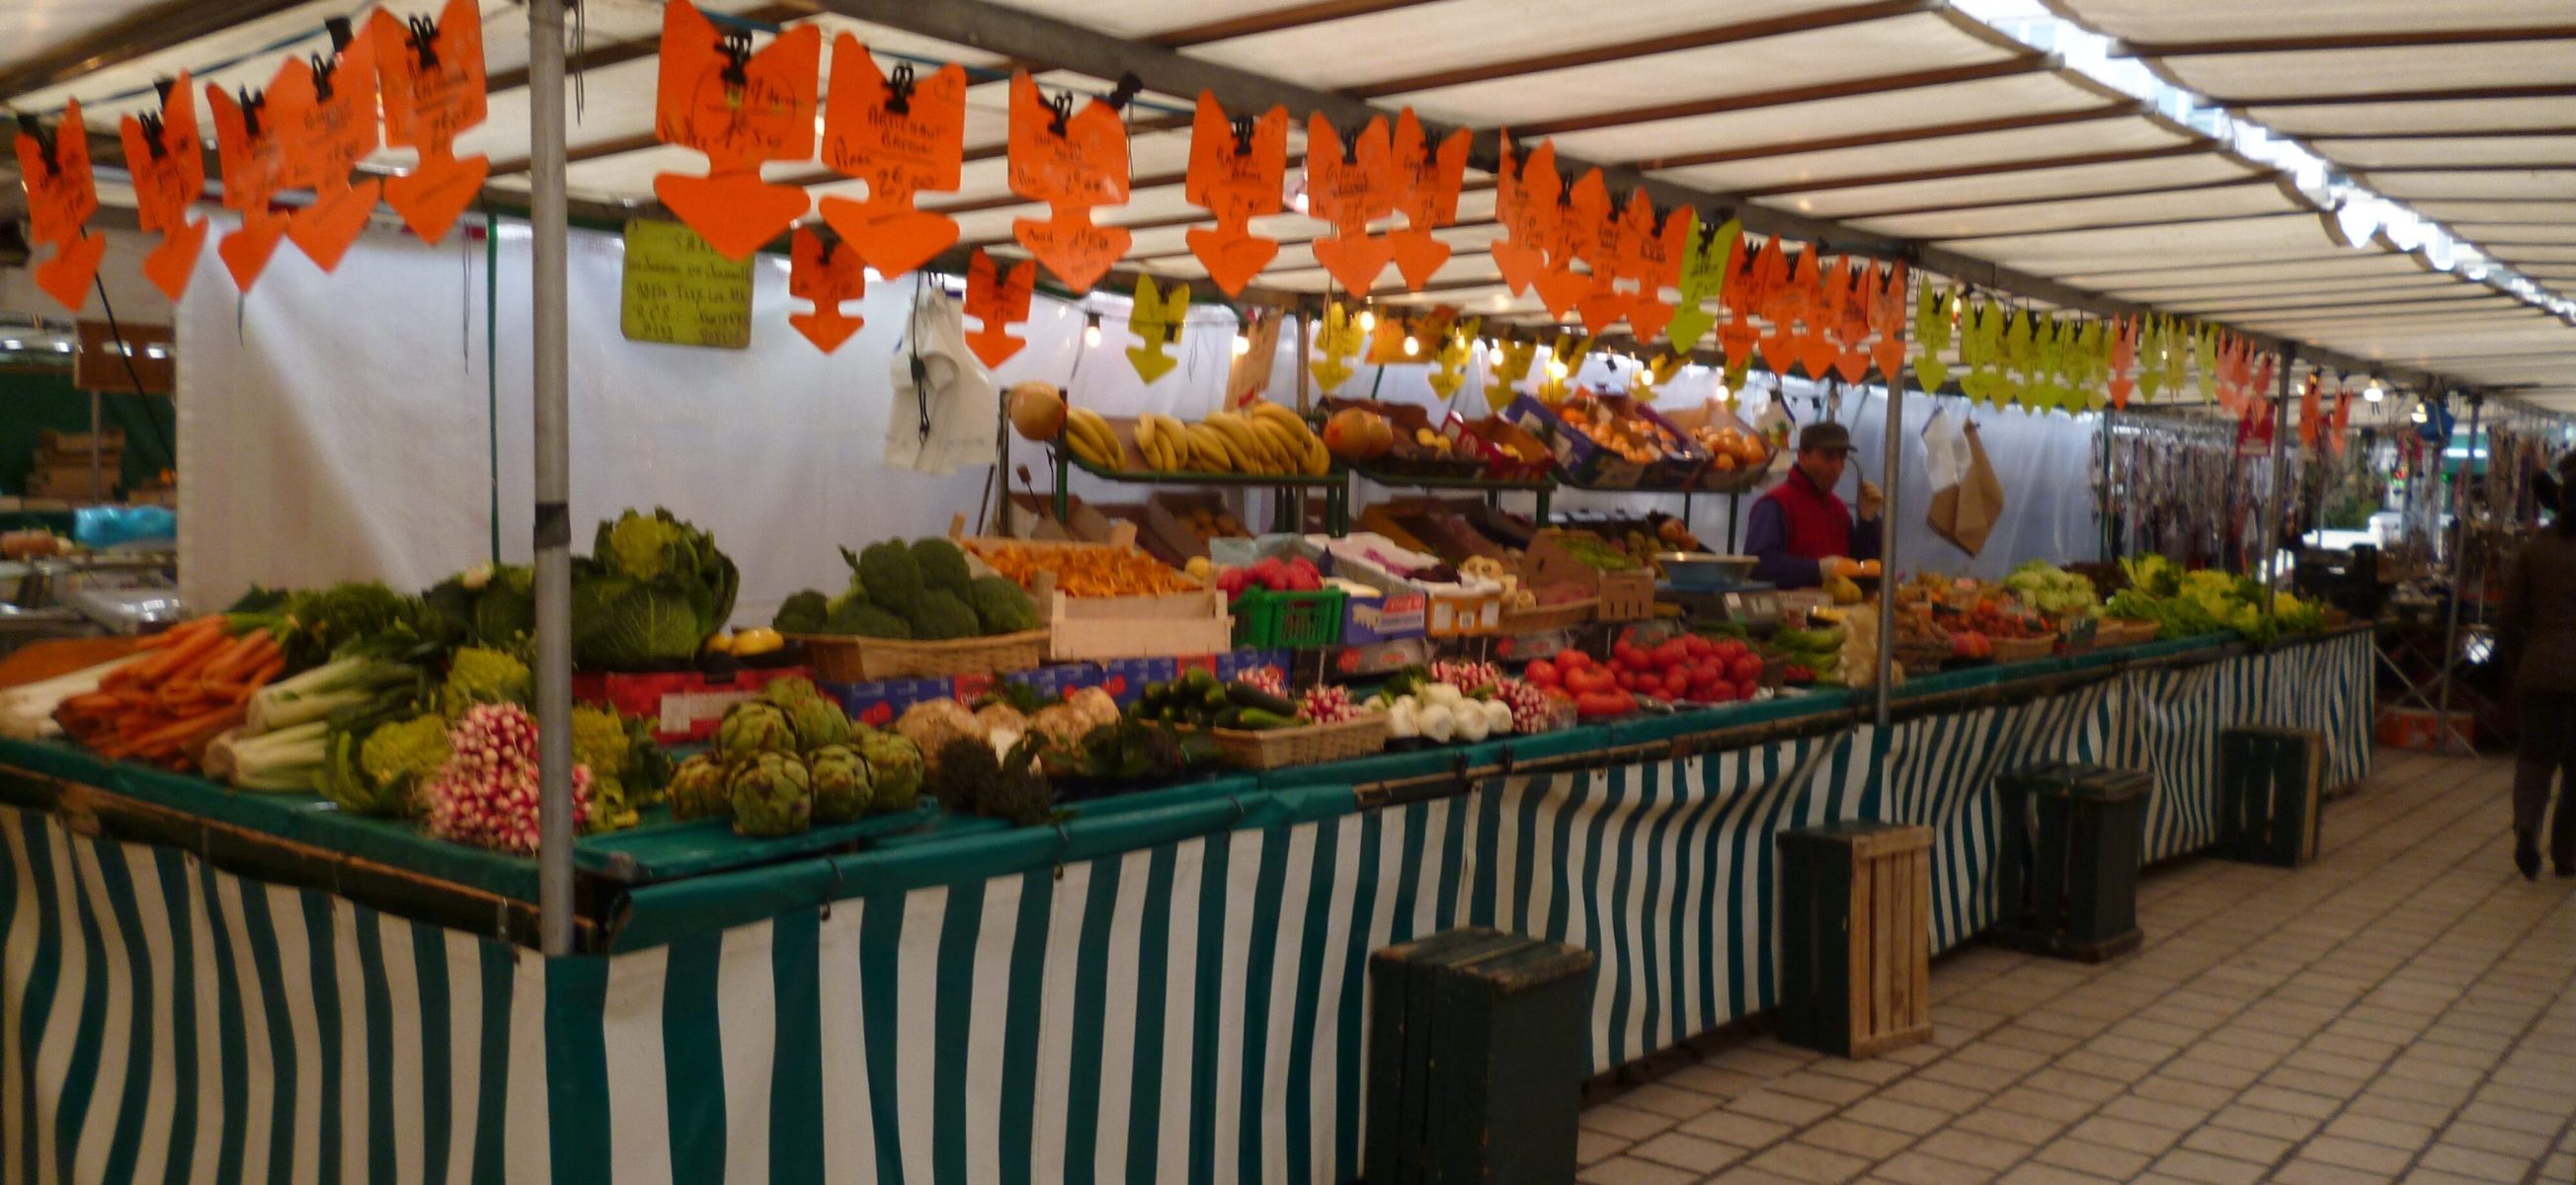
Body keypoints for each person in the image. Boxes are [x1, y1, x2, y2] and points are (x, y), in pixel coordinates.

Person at [2497, 452, 2576, 880]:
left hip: (2540, 671)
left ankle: (2527, 829)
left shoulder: (2535, 550)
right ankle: (2566, 853)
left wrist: (2517, 663)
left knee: (2535, 760)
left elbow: (2508, 617)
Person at [1743, 421, 1884, 589]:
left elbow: (1863, 573)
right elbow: (1759, 566)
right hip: (1787, 613)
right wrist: (1817, 569)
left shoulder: (1838, 509)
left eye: (1842, 458)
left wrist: (1868, 521)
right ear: (1803, 457)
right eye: (1829, 457)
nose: (1837, 467)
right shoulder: (1775, 504)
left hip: (1837, 612)